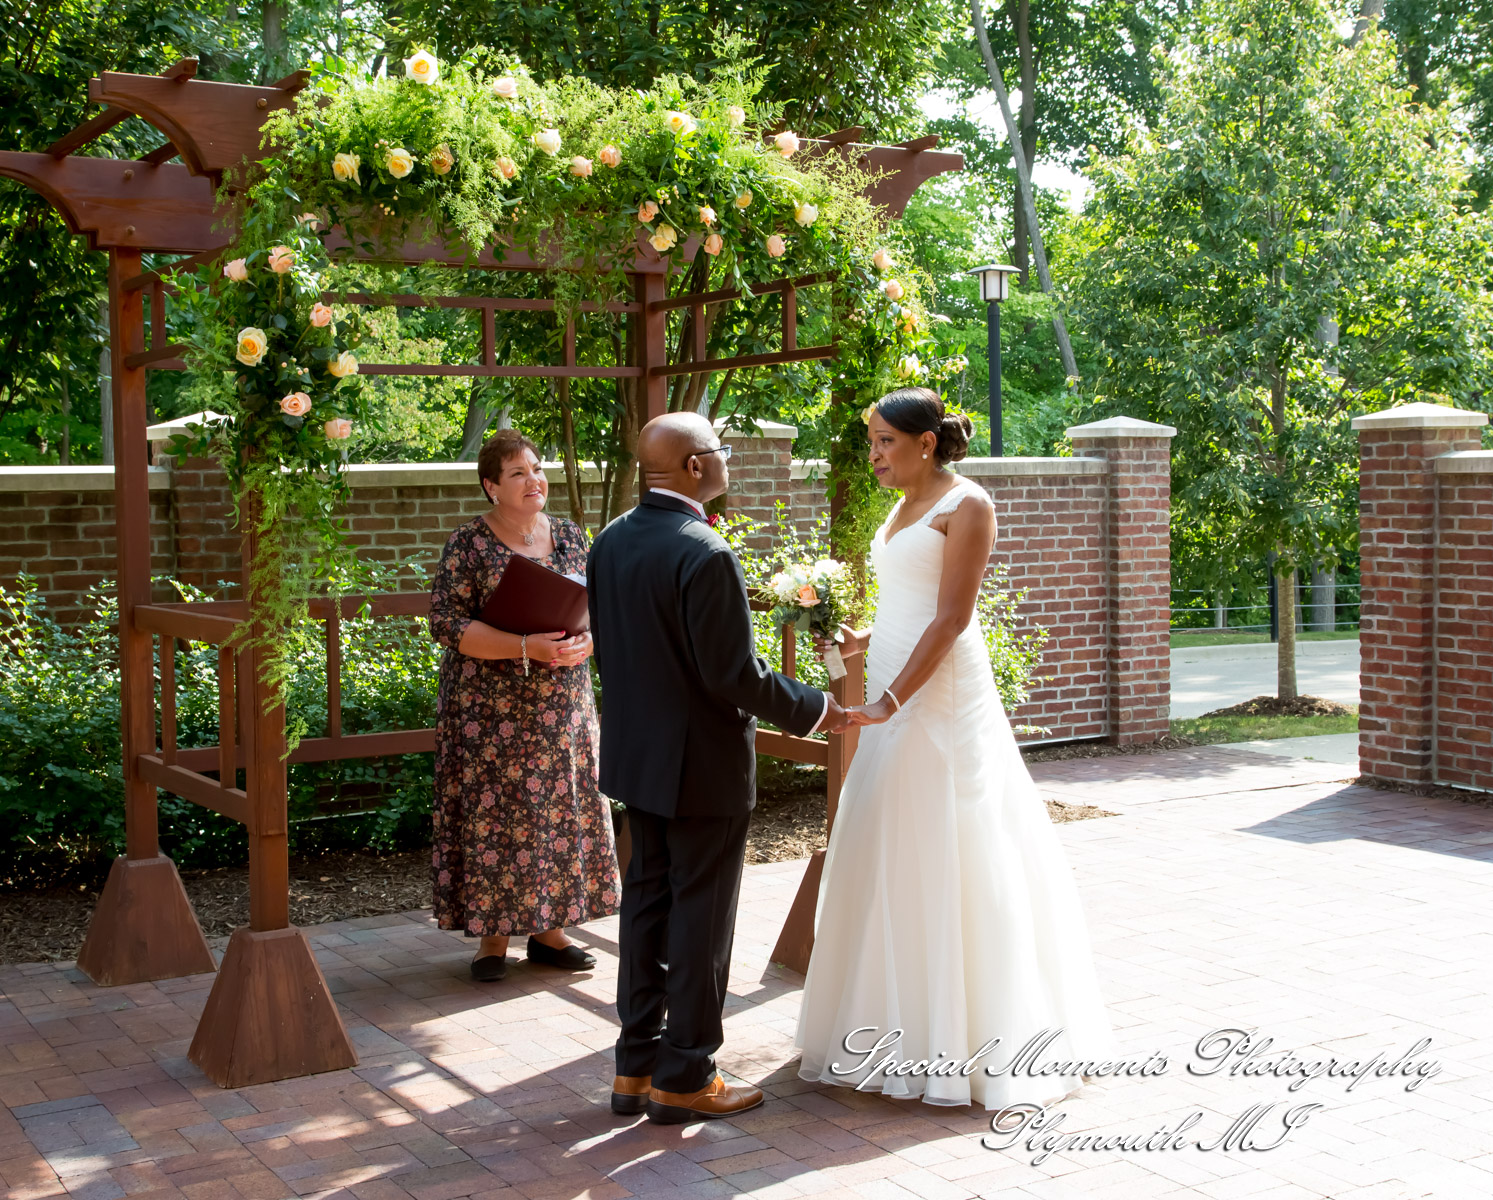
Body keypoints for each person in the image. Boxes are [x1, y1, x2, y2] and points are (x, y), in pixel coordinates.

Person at [794, 387, 1116, 1109]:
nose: (874, 454)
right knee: (888, 838)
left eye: (884, 442)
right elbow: (904, 606)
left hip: (939, 696)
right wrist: (859, 641)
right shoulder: (899, 504)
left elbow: (952, 618)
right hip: (894, 678)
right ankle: (886, 1029)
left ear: (926, 442)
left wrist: (888, 701)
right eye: (871, 441)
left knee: (954, 840)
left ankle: (975, 1042)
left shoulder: (967, 505)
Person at [587, 412, 847, 1125]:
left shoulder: (609, 542)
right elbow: (734, 674)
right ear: (696, 467)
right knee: (702, 919)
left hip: (639, 760)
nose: (728, 461)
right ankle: (687, 1074)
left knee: (646, 909)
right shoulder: (704, 551)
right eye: (721, 450)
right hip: (702, 766)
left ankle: (635, 1068)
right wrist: (820, 709)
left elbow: (612, 653)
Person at [428, 429, 620, 983]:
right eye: (518, 473)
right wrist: (523, 647)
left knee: (557, 813)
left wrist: (590, 640)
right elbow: (447, 623)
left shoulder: (569, 535)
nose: (534, 479)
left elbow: (596, 606)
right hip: (490, 712)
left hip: (562, 706)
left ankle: (550, 932)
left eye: (537, 469)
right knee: (499, 817)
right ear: (492, 486)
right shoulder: (468, 544)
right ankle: (493, 938)